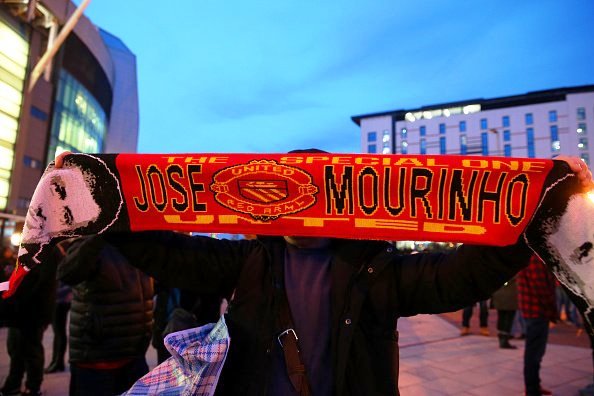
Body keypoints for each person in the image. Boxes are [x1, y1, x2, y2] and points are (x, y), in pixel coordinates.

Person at [54, 151, 592, 395]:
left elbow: (456, 278)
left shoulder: (375, 269)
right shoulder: (248, 261)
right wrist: (95, 197)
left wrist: (530, 219)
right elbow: (168, 253)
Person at [58, 237, 154, 396]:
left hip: (135, 357)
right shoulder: (90, 243)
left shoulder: (140, 244)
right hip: (97, 361)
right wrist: (101, 234)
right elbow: (67, 274)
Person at [0, 246, 58, 396]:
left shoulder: (48, 251)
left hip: (33, 310)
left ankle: (33, 386)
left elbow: (40, 282)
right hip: (19, 309)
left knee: (31, 350)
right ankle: (13, 383)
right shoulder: (30, 248)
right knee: (15, 348)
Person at [517, 254, 558, 396]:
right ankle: (532, 390)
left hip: (532, 311)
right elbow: (542, 288)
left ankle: (534, 386)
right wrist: (553, 312)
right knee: (534, 354)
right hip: (537, 311)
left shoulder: (529, 256)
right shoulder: (535, 257)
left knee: (534, 353)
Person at [491, 276, 518, 349]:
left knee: (502, 317)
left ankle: (502, 338)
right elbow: (506, 282)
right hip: (509, 297)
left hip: (500, 296)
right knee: (508, 319)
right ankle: (504, 340)